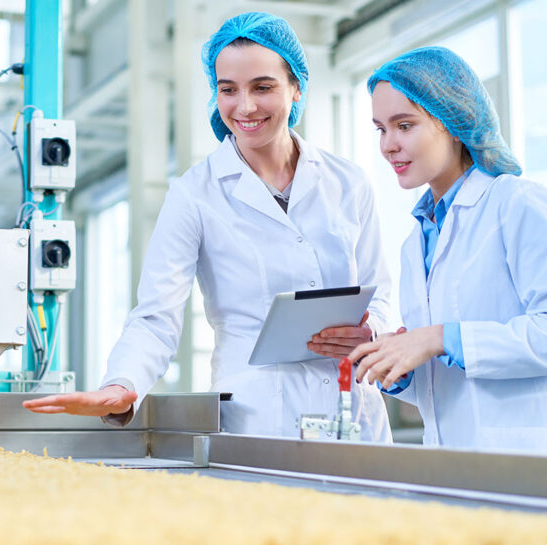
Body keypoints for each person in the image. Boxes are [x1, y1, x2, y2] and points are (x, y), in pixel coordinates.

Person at [24, 12, 393, 440]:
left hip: (354, 410)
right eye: (228, 90)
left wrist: (372, 331)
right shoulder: (195, 194)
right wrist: (121, 384)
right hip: (259, 422)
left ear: (296, 88)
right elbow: (156, 315)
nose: (245, 106)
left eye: (263, 87)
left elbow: (380, 291)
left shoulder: (347, 181)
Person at [339, 46, 547, 454]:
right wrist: (396, 363)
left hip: (535, 459)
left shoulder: (517, 204)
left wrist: (440, 338)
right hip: (453, 462)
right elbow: (448, 386)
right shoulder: (415, 242)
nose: (388, 145)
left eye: (404, 126)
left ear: (454, 121)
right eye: (380, 129)